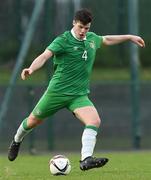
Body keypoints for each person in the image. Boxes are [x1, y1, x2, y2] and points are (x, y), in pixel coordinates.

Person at [8, 8, 145, 170]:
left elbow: (107, 39)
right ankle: (17, 140)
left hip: (78, 95)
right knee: (33, 121)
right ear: (74, 23)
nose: (83, 31)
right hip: (56, 92)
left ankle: (86, 159)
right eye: (80, 27)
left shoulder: (91, 39)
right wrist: (31, 69)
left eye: (86, 28)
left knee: (94, 121)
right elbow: (45, 55)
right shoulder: (63, 40)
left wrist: (129, 37)